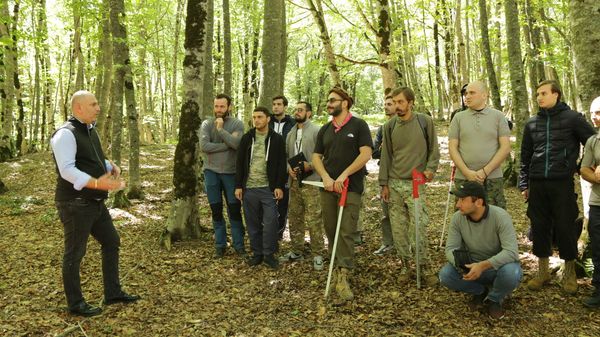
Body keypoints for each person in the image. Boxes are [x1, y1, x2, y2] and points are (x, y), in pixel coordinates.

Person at [51, 90, 140, 317]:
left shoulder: (90, 130)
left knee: (111, 241)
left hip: (94, 203)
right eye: (93, 104)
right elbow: (67, 170)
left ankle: (112, 292)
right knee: (74, 253)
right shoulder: (65, 134)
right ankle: (76, 304)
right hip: (74, 204)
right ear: (78, 108)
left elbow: (93, 158)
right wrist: (98, 184)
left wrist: (110, 167)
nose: (98, 108)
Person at [519, 80, 595, 295]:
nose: (539, 97)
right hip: (537, 184)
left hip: (562, 182)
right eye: (537, 94)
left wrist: (580, 167)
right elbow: (525, 156)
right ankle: (542, 272)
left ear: (556, 95)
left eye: (543, 93)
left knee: (565, 226)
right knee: (539, 226)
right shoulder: (532, 123)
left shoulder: (572, 119)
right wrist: (524, 183)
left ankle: (569, 273)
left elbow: (592, 143)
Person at [313, 87, 372, 301]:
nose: (328, 104)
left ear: (344, 103)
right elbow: (316, 157)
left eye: (332, 100)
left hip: (351, 187)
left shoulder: (359, 125)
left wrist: (344, 175)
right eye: (328, 100)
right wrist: (327, 178)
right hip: (328, 188)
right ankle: (336, 265)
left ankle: (344, 274)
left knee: (346, 229)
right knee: (331, 229)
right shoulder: (325, 129)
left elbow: (366, 154)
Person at [379, 86, 440, 286]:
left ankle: (424, 266)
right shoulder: (389, 127)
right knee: (398, 228)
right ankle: (405, 265)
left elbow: (434, 149)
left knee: (419, 226)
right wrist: (384, 184)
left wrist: (430, 169)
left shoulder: (424, 122)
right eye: (394, 102)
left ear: (410, 102)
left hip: (416, 182)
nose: (397, 106)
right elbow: (386, 155)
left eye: (400, 102)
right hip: (395, 183)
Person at [439, 181, 522, 319]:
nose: (457, 204)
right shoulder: (457, 218)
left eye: (462, 200)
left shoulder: (500, 216)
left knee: (512, 273)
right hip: (471, 266)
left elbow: (511, 252)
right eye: (458, 199)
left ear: (478, 202)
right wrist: (463, 264)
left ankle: (494, 299)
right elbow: (450, 249)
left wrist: (482, 266)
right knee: (445, 275)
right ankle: (480, 292)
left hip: (497, 267)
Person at [235, 106, 287, 270]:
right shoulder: (247, 138)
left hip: (268, 188)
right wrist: (238, 186)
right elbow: (239, 163)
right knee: (252, 223)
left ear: (268, 119)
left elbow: (281, 164)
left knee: (271, 222)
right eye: (254, 117)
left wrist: (279, 185)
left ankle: (269, 254)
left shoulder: (277, 139)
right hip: (249, 188)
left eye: (260, 117)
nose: (256, 120)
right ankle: (257, 253)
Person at [448, 81, 511, 209]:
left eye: (472, 93)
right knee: (463, 217)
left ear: (484, 95)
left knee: (493, 216)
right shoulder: (458, 118)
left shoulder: (498, 116)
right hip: (464, 177)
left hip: (492, 178)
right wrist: (467, 172)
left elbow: (505, 147)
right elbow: (452, 148)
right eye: (466, 93)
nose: (467, 96)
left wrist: (484, 172)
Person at [280, 101, 325, 270]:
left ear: (309, 113)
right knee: (295, 217)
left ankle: (318, 253)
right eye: (296, 110)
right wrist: (288, 168)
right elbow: (286, 156)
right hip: (294, 183)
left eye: (301, 110)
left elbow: (325, 155)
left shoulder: (317, 131)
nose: (297, 112)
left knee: (314, 219)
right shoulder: (291, 132)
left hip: (312, 181)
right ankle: (297, 250)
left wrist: (311, 166)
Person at [200, 94, 246, 258]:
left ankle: (239, 245)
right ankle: (220, 245)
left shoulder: (237, 123)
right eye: (216, 106)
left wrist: (220, 130)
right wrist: (226, 145)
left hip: (230, 173)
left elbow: (237, 144)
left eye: (222, 107)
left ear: (229, 107)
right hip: (211, 172)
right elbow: (204, 146)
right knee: (216, 210)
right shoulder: (206, 123)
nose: (219, 110)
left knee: (234, 210)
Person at [578, 95, 600, 308]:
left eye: (599, 112)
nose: (595, 117)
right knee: (598, 247)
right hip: (597, 203)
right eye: (593, 112)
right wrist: (595, 177)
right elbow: (584, 168)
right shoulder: (593, 141)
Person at [372, 95, 396, 256]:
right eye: (385, 104)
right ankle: (388, 243)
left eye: (390, 104)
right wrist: (383, 149)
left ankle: (407, 244)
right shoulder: (382, 128)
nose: (386, 107)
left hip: (403, 174)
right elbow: (374, 152)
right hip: (385, 174)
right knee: (386, 212)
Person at [269, 95, 295, 239]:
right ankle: (267, 231)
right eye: (274, 104)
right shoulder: (267, 121)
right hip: (268, 167)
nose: (276, 107)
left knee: (283, 202)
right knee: (268, 199)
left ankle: (279, 233)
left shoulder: (292, 123)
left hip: (286, 166)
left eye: (279, 104)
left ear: (285, 106)